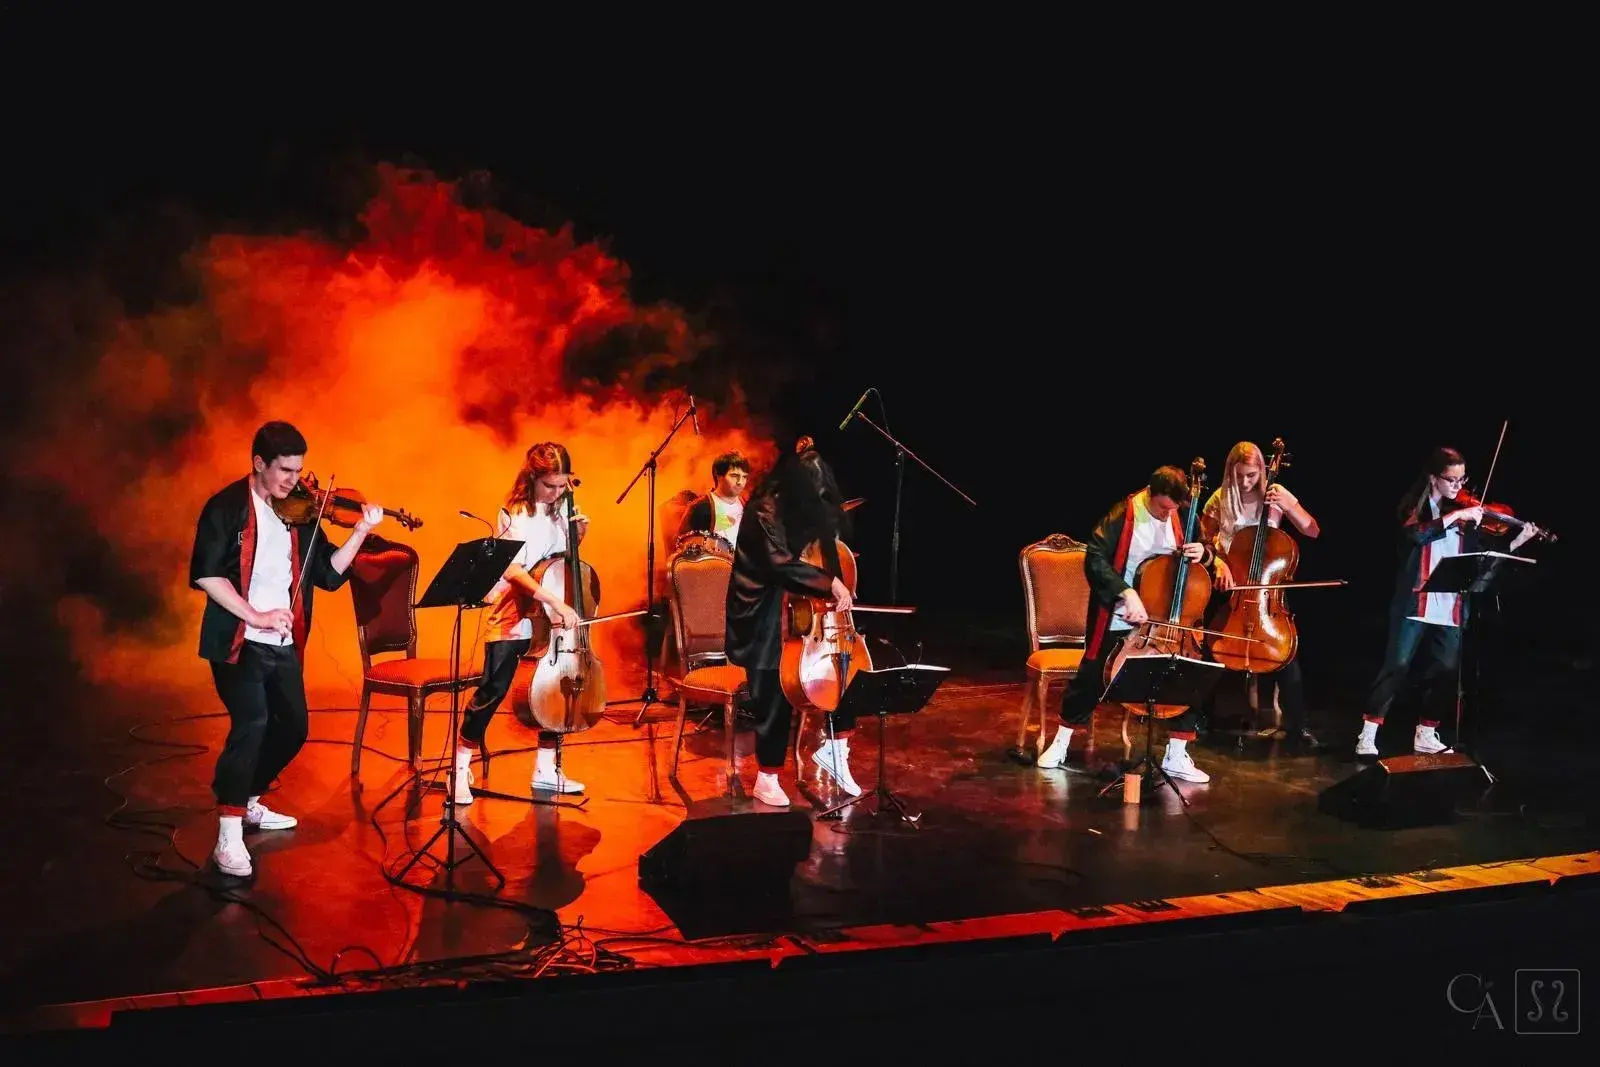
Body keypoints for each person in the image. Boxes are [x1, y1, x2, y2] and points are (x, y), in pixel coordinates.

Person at [190, 421, 384, 878]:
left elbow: (329, 575)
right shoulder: (226, 507)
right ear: (259, 463)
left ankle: (247, 799)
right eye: (285, 471)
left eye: (299, 471)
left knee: (294, 729)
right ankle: (228, 836)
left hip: (281, 644)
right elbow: (207, 574)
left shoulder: (299, 513)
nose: (294, 481)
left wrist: (360, 531)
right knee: (253, 723)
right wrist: (254, 615)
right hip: (237, 642)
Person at [1035, 464, 1221, 784]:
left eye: (1172, 509)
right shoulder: (1124, 514)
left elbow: (1209, 550)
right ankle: (1061, 743)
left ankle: (1176, 756)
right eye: (1162, 508)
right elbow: (1095, 558)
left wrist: (1203, 552)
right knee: (1092, 677)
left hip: (1165, 620)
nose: (1167, 515)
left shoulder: (1181, 510)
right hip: (1121, 613)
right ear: (1150, 492)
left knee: (1186, 677)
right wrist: (1125, 591)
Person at [1356, 446, 1541, 757]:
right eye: (1451, 480)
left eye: (1462, 480)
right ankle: (1367, 734)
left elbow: (1482, 562)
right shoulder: (1415, 508)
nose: (1458, 486)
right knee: (1397, 667)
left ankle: (1426, 734)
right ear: (1433, 478)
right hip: (1415, 604)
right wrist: (1455, 515)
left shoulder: (1470, 521)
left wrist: (1517, 541)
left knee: (1444, 672)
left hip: (1451, 607)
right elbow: (1414, 535)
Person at [726, 437, 859, 806]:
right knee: (774, 692)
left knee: (846, 673)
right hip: (761, 616)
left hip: (796, 616)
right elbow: (779, 564)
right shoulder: (763, 511)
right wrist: (829, 583)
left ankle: (836, 750)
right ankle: (766, 778)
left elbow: (815, 553)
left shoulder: (798, 511)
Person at [452, 442, 586, 803]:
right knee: (493, 690)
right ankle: (459, 767)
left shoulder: (564, 508)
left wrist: (579, 534)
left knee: (553, 688)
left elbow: (563, 560)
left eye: (562, 485)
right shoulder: (514, 514)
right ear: (532, 478)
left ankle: (546, 769)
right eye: (550, 486)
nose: (556, 493)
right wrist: (552, 600)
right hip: (514, 608)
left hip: (549, 615)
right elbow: (513, 570)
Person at [1199, 441, 1324, 748]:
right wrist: (1217, 562)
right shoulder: (1219, 498)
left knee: (1286, 655)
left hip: (1268, 590)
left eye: (1252, 476)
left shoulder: (1274, 494)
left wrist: (1290, 505)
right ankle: (1199, 718)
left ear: (1262, 471)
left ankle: (1299, 726)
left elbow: (1312, 530)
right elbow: (1204, 539)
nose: (1245, 482)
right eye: (1239, 475)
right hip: (1230, 587)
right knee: (1209, 652)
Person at [678, 450, 751, 549]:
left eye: (744, 477)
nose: (740, 482)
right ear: (718, 475)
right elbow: (682, 545)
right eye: (734, 476)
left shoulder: (747, 506)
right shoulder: (701, 508)